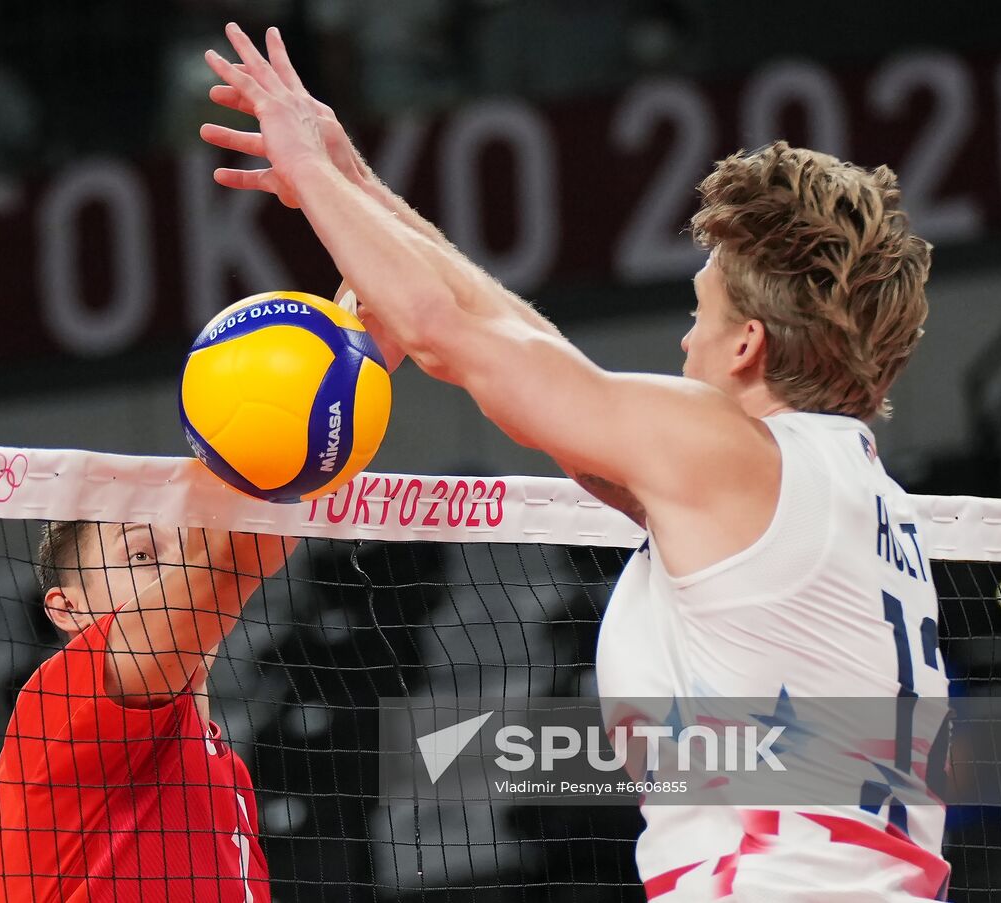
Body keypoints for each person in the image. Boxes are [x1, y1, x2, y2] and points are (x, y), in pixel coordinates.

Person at [201, 24, 946, 901]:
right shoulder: (843, 492)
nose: (682, 337)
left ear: (747, 343)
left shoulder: (735, 457)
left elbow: (459, 340)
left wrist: (315, 175)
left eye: (699, 313)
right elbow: (524, 352)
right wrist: (355, 182)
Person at [0, 521, 292, 902]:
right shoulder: (69, 694)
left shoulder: (227, 768)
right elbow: (227, 563)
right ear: (69, 609)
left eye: (185, 556)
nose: (177, 574)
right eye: (141, 555)